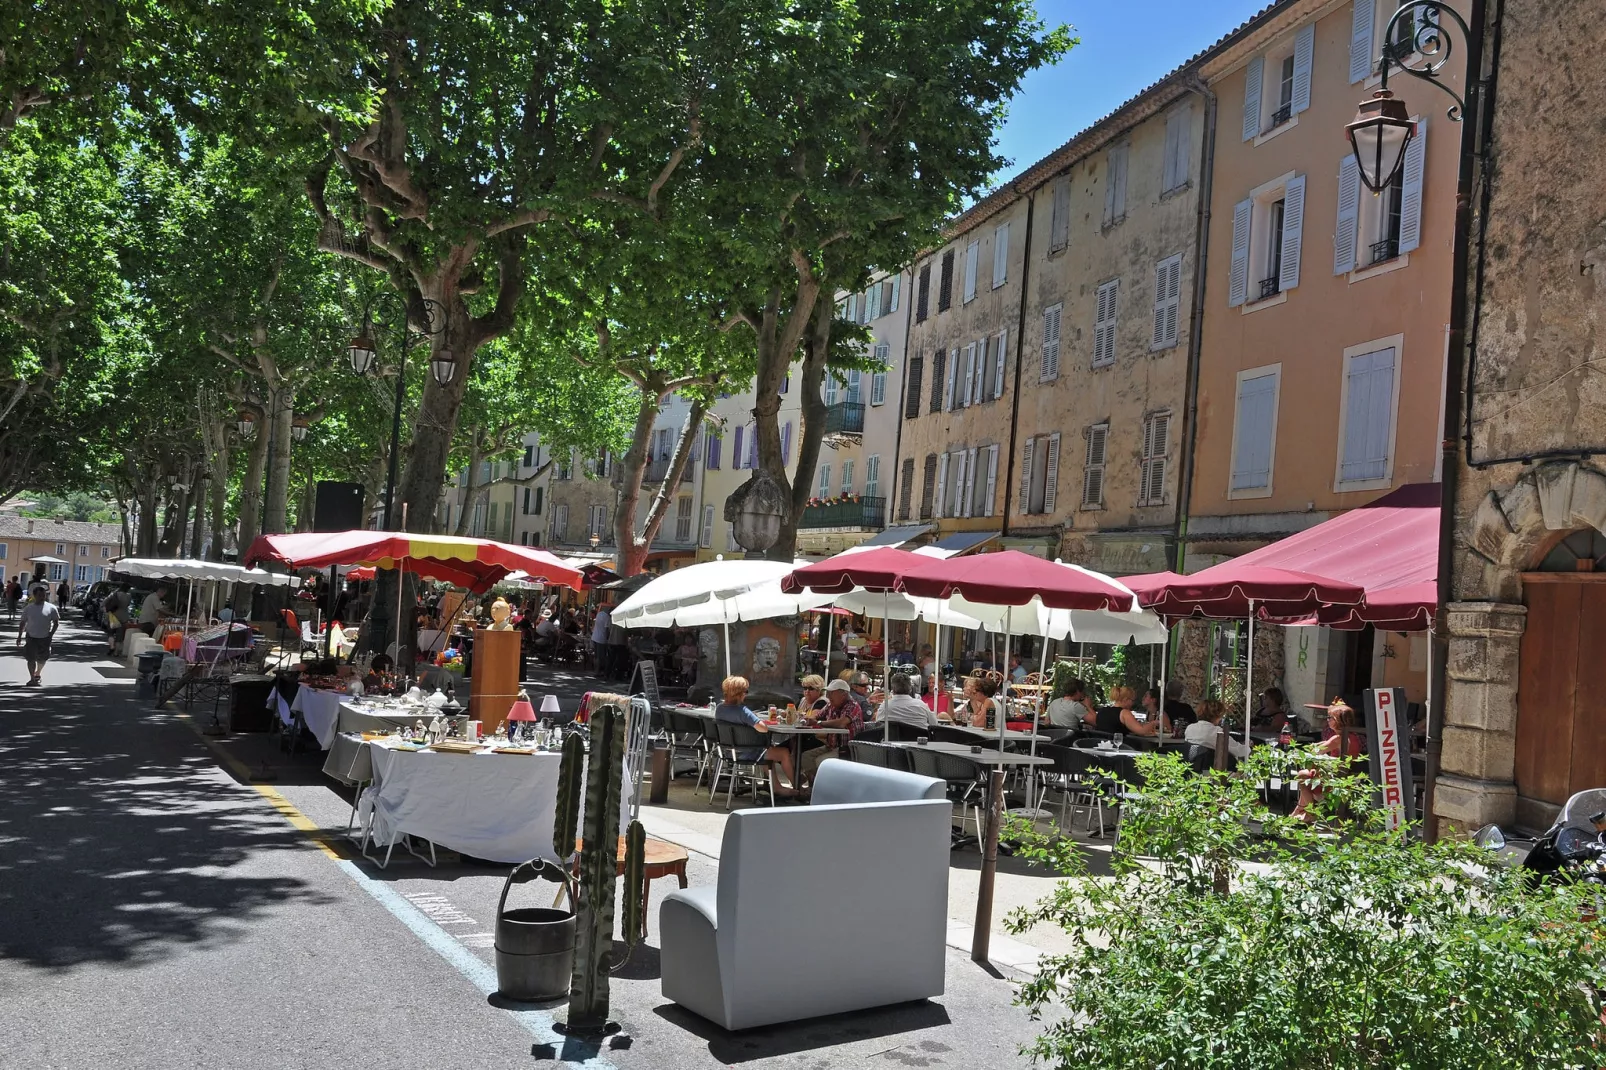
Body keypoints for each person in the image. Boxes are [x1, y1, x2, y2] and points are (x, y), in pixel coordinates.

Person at [714, 675, 799, 796]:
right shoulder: (743, 711)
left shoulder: (719, 709)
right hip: (748, 752)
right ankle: (798, 787)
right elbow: (763, 729)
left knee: (767, 750)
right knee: (783, 752)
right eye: (745, 691)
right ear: (739, 694)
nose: (746, 694)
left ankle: (777, 787)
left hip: (728, 751)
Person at [1292, 700, 1366, 822]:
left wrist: (1314, 747)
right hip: (1346, 777)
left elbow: (1316, 752)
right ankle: (1299, 811)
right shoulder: (1354, 737)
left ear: (1337, 721)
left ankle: (1310, 813)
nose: (1327, 720)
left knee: (1302, 776)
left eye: (1330, 717)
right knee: (1308, 773)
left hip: (1333, 780)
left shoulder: (1338, 738)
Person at [800, 679, 864, 787]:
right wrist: (807, 719)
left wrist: (819, 722)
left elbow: (841, 723)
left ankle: (824, 787)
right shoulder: (831, 705)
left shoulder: (853, 706)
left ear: (843, 694)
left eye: (831, 693)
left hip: (847, 749)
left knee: (820, 761)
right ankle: (814, 786)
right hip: (832, 746)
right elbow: (817, 715)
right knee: (805, 757)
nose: (828, 696)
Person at [16, 584, 60, 686]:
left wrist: (51, 634)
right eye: (40, 595)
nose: (42, 597)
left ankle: (38, 672)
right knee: (31, 658)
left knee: (43, 658)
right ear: (34, 596)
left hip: (45, 638)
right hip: (31, 637)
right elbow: (23, 622)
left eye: (43, 595)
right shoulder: (28, 608)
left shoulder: (51, 608)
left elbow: (56, 623)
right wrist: (19, 636)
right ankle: (32, 679)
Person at [1184, 698, 1250, 764]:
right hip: (1216, 769)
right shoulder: (1217, 732)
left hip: (1194, 767)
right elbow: (1240, 752)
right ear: (1218, 715)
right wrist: (1248, 746)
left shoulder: (1190, 728)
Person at [101, 583, 131, 654]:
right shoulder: (129, 596)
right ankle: (116, 652)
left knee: (110, 633)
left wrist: (106, 612)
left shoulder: (114, 594)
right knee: (119, 636)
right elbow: (127, 605)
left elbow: (103, 603)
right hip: (123, 617)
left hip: (113, 616)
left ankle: (112, 646)